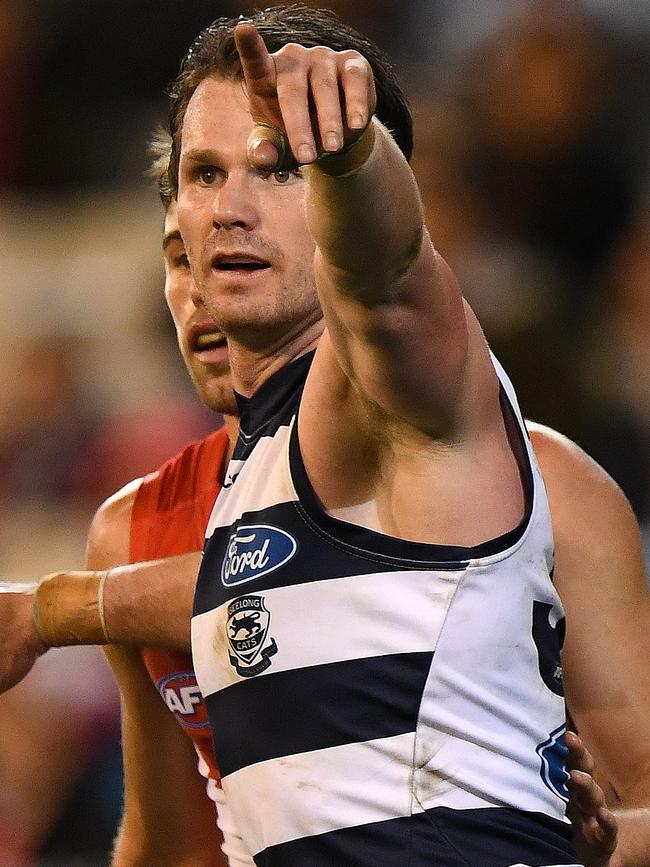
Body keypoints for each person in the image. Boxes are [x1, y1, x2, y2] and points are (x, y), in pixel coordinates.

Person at [167, 6, 650, 866]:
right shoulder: (251, 470)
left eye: (278, 170)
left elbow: (383, 276)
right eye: (204, 174)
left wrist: (350, 158)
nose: (228, 209)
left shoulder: (393, 392)